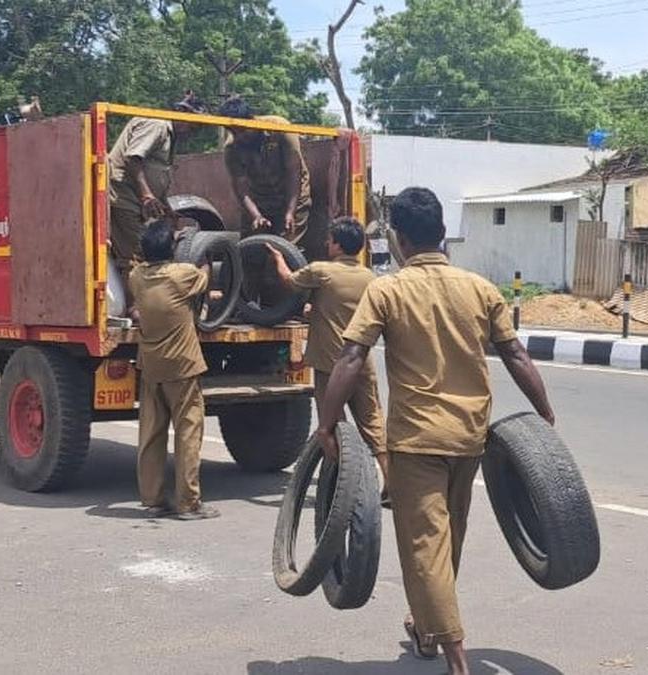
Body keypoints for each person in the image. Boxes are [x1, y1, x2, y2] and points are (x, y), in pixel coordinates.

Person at [315, 188, 554, 675]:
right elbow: (516, 355)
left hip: (417, 440)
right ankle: (425, 628)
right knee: (449, 538)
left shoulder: (387, 289)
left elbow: (351, 357)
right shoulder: (479, 288)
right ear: (442, 233)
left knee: (425, 546)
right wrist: (544, 413)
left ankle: (456, 656)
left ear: (399, 239)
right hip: (469, 437)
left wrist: (326, 422)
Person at [266, 217, 389, 503]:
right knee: (372, 420)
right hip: (362, 361)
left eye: (330, 239)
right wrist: (315, 311)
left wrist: (278, 257)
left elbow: (289, 281)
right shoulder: (369, 278)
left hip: (330, 364)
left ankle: (340, 486)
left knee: (332, 424)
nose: (326, 244)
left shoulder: (322, 271)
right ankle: (390, 480)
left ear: (337, 244)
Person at [128, 219, 218, 521]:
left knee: (151, 434)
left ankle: (152, 499)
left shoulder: (136, 277)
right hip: (183, 366)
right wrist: (199, 252)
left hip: (151, 366)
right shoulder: (183, 276)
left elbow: (142, 265)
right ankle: (188, 503)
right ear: (172, 249)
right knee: (188, 433)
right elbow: (206, 275)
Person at [108, 91, 208, 275]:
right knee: (137, 256)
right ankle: (137, 303)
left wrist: (167, 208)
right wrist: (146, 194)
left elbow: (156, 173)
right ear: (181, 112)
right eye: (192, 127)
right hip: (125, 198)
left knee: (150, 251)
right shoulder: (157, 124)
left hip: (138, 202)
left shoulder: (169, 135)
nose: (191, 133)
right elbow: (133, 158)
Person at [218, 95, 312, 243]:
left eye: (242, 130)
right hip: (259, 200)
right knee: (249, 249)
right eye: (234, 132)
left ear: (252, 119)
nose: (240, 137)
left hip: (291, 196)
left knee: (286, 249)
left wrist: (290, 212)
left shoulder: (280, 128)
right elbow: (240, 187)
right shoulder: (232, 148)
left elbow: (294, 172)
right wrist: (256, 216)